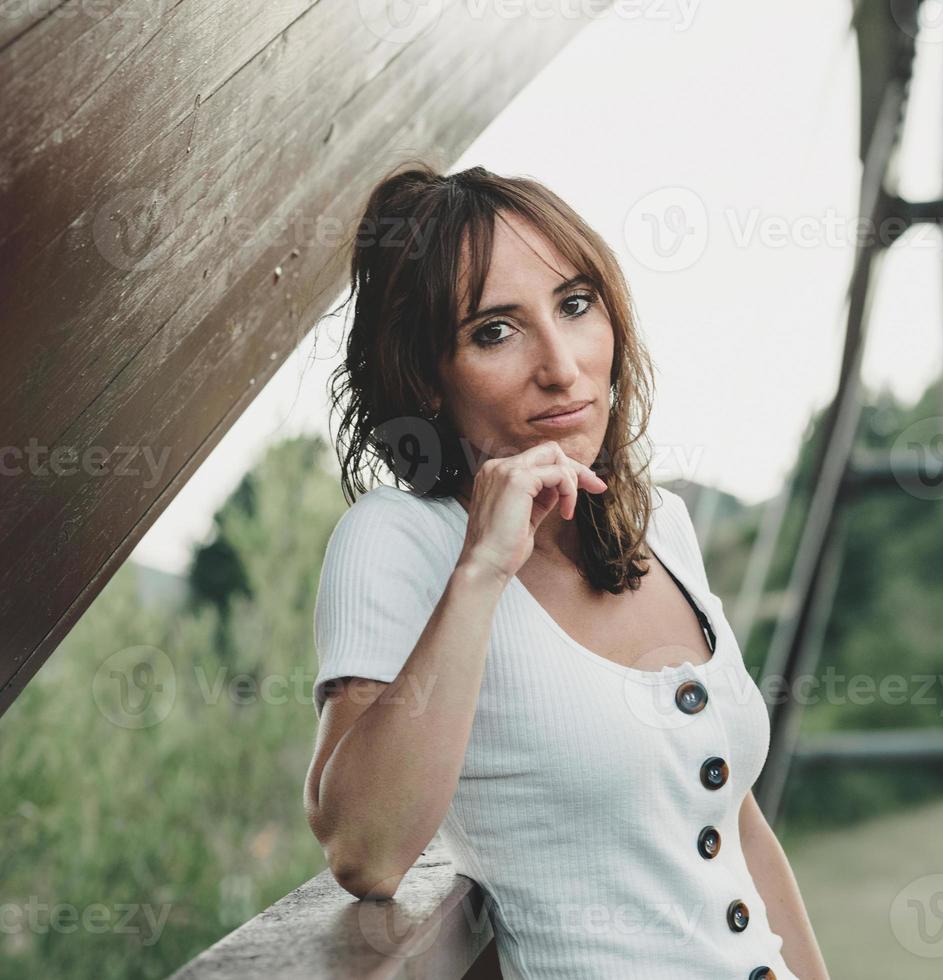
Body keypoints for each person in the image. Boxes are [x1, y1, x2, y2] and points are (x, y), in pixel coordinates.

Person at [302, 163, 829, 980]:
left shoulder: (663, 529)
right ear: (427, 380)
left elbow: (738, 831)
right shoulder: (400, 541)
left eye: (576, 306)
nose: (561, 365)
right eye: (494, 332)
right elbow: (364, 851)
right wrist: (481, 570)